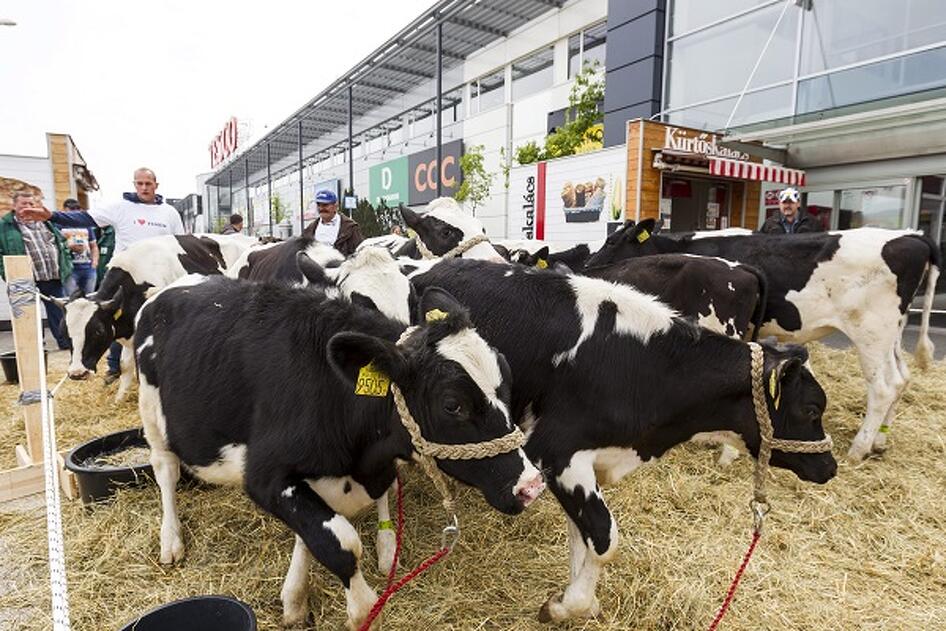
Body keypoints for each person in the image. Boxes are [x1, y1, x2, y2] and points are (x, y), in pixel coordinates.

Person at [22, 167, 185, 383]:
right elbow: (86, 218)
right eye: (139, 183)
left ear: (156, 184)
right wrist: (52, 215)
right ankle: (114, 368)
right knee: (114, 320)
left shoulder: (169, 212)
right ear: (134, 184)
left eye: (148, 183)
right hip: (126, 277)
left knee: (163, 321)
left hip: (160, 278)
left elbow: (180, 242)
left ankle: (163, 368)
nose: (144, 188)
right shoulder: (121, 208)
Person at [0, 191, 73, 350]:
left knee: (58, 312)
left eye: (31, 204)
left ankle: (65, 343)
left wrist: (66, 265)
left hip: (52, 276)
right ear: (14, 206)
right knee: (27, 314)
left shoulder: (47, 222)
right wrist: (8, 274)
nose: (28, 207)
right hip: (25, 278)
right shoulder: (4, 226)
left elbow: (62, 243)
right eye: (23, 204)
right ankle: (35, 347)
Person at [302, 189, 364, 255]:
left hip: (342, 264)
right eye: (319, 205)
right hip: (314, 264)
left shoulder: (350, 228)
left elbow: (360, 251)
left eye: (325, 205)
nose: (321, 208)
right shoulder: (310, 229)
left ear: (335, 206)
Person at [59, 198, 99, 296]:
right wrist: (69, 247)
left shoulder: (86, 226)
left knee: (90, 297)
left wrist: (94, 263)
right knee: (70, 298)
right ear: (64, 211)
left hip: (88, 267)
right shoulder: (58, 225)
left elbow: (94, 246)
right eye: (70, 213)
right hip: (70, 269)